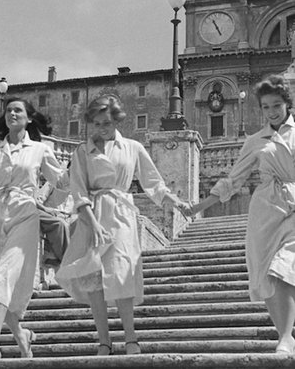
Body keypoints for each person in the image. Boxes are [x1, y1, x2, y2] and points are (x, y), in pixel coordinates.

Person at [179, 74, 295, 355]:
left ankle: (286, 335)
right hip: (266, 211)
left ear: (287, 104)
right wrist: (198, 207)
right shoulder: (255, 141)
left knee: (284, 267)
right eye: (266, 107)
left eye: (276, 105)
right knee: (266, 274)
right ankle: (285, 337)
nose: (272, 111)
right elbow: (233, 180)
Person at [56, 95, 179, 356]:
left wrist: (171, 199)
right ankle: (104, 341)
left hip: (122, 213)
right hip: (92, 216)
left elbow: (153, 182)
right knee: (94, 281)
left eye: (107, 123)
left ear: (116, 121)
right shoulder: (82, 151)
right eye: (97, 123)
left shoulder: (132, 147)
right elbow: (79, 192)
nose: (102, 129)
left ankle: (131, 338)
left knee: (122, 272)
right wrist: (92, 223)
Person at [0, 97, 68, 359]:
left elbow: (63, 183)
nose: (12, 113)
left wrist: (48, 205)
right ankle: (21, 335)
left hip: (25, 216)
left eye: (18, 110)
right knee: (1, 283)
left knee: (0, 275)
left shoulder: (40, 149)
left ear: (28, 118)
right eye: (8, 110)